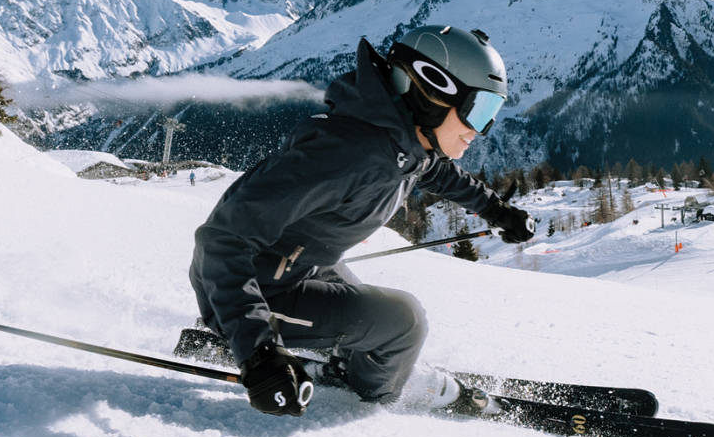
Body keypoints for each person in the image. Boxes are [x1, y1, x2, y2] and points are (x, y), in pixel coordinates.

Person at [188, 26, 536, 416]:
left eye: (490, 113)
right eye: (478, 109)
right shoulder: (344, 155)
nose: (480, 130)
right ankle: (362, 397)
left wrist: (499, 212)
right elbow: (222, 239)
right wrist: (258, 352)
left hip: (298, 268)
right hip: (251, 289)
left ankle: (352, 363)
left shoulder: (404, 145)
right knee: (403, 323)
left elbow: (439, 174)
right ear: (432, 92)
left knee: (381, 323)